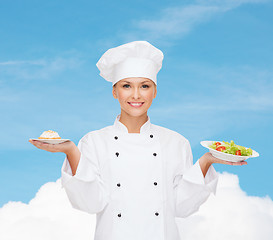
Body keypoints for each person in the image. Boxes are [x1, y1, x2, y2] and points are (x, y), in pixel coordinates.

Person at [29, 41, 247, 240]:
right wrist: (71, 152)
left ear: (155, 92)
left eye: (144, 86)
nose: (136, 95)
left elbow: (181, 207)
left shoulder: (176, 142)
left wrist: (206, 161)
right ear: (114, 92)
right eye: (126, 86)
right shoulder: (94, 141)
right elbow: (89, 202)